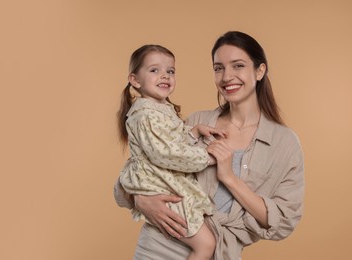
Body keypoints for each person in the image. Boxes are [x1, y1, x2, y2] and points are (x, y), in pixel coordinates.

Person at [114, 31, 305, 260]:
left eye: (238, 66)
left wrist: (229, 178)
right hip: (158, 247)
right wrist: (141, 200)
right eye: (219, 68)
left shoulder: (284, 143)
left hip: (218, 253)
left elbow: (283, 221)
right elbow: (139, 171)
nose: (227, 77)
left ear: (259, 71)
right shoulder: (196, 123)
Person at [116, 44, 229, 260]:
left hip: (165, 180)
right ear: (135, 80)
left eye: (170, 71)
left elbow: (170, 141)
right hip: (159, 184)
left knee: (205, 241)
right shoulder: (145, 114)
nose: (164, 76)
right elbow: (166, 154)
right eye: (154, 70)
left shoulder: (161, 108)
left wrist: (193, 132)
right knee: (206, 244)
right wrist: (207, 157)